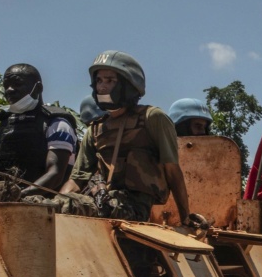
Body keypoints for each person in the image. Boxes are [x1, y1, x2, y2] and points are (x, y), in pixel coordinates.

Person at [60, 51, 195, 226]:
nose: (102, 87)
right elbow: (77, 178)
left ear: (128, 85)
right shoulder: (95, 129)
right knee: (45, 204)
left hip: (134, 208)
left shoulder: (152, 118)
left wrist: (186, 218)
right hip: (102, 201)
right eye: (99, 80)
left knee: (78, 207)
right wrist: (58, 202)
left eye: (110, 80)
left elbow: (172, 170)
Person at [0, 64, 78, 201]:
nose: (10, 90)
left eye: (17, 84)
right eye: (6, 86)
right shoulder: (5, 125)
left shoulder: (56, 123)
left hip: (49, 209)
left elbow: (55, 174)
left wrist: (20, 196)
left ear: (38, 88)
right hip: (6, 205)